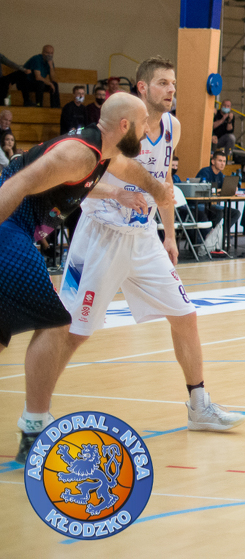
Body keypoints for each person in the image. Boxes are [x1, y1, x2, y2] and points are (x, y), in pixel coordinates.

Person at [60, 57, 245, 437]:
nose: (171, 90)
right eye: (163, 83)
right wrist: (116, 194)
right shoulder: (117, 126)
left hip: (143, 237)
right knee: (73, 330)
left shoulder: (172, 127)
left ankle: (199, 406)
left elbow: (164, 182)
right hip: (101, 233)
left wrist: (170, 234)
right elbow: (74, 180)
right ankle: (35, 414)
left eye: (173, 83)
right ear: (142, 88)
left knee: (185, 316)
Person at [2, 92, 160, 461]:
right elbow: (16, 185)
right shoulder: (78, 154)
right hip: (10, 227)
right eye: (143, 124)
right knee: (56, 324)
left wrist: (134, 192)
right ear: (124, 126)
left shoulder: (101, 153)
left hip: (16, 230)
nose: (148, 130)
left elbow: (116, 173)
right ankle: (34, 429)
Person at [195, 150, 240, 256]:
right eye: (220, 161)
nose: (222, 163)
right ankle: (212, 239)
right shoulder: (205, 172)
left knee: (235, 213)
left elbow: (222, 189)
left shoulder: (220, 175)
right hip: (201, 205)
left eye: (224, 161)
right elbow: (202, 189)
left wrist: (231, 188)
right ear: (213, 161)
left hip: (212, 205)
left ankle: (220, 236)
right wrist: (219, 190)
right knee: (219, 212)